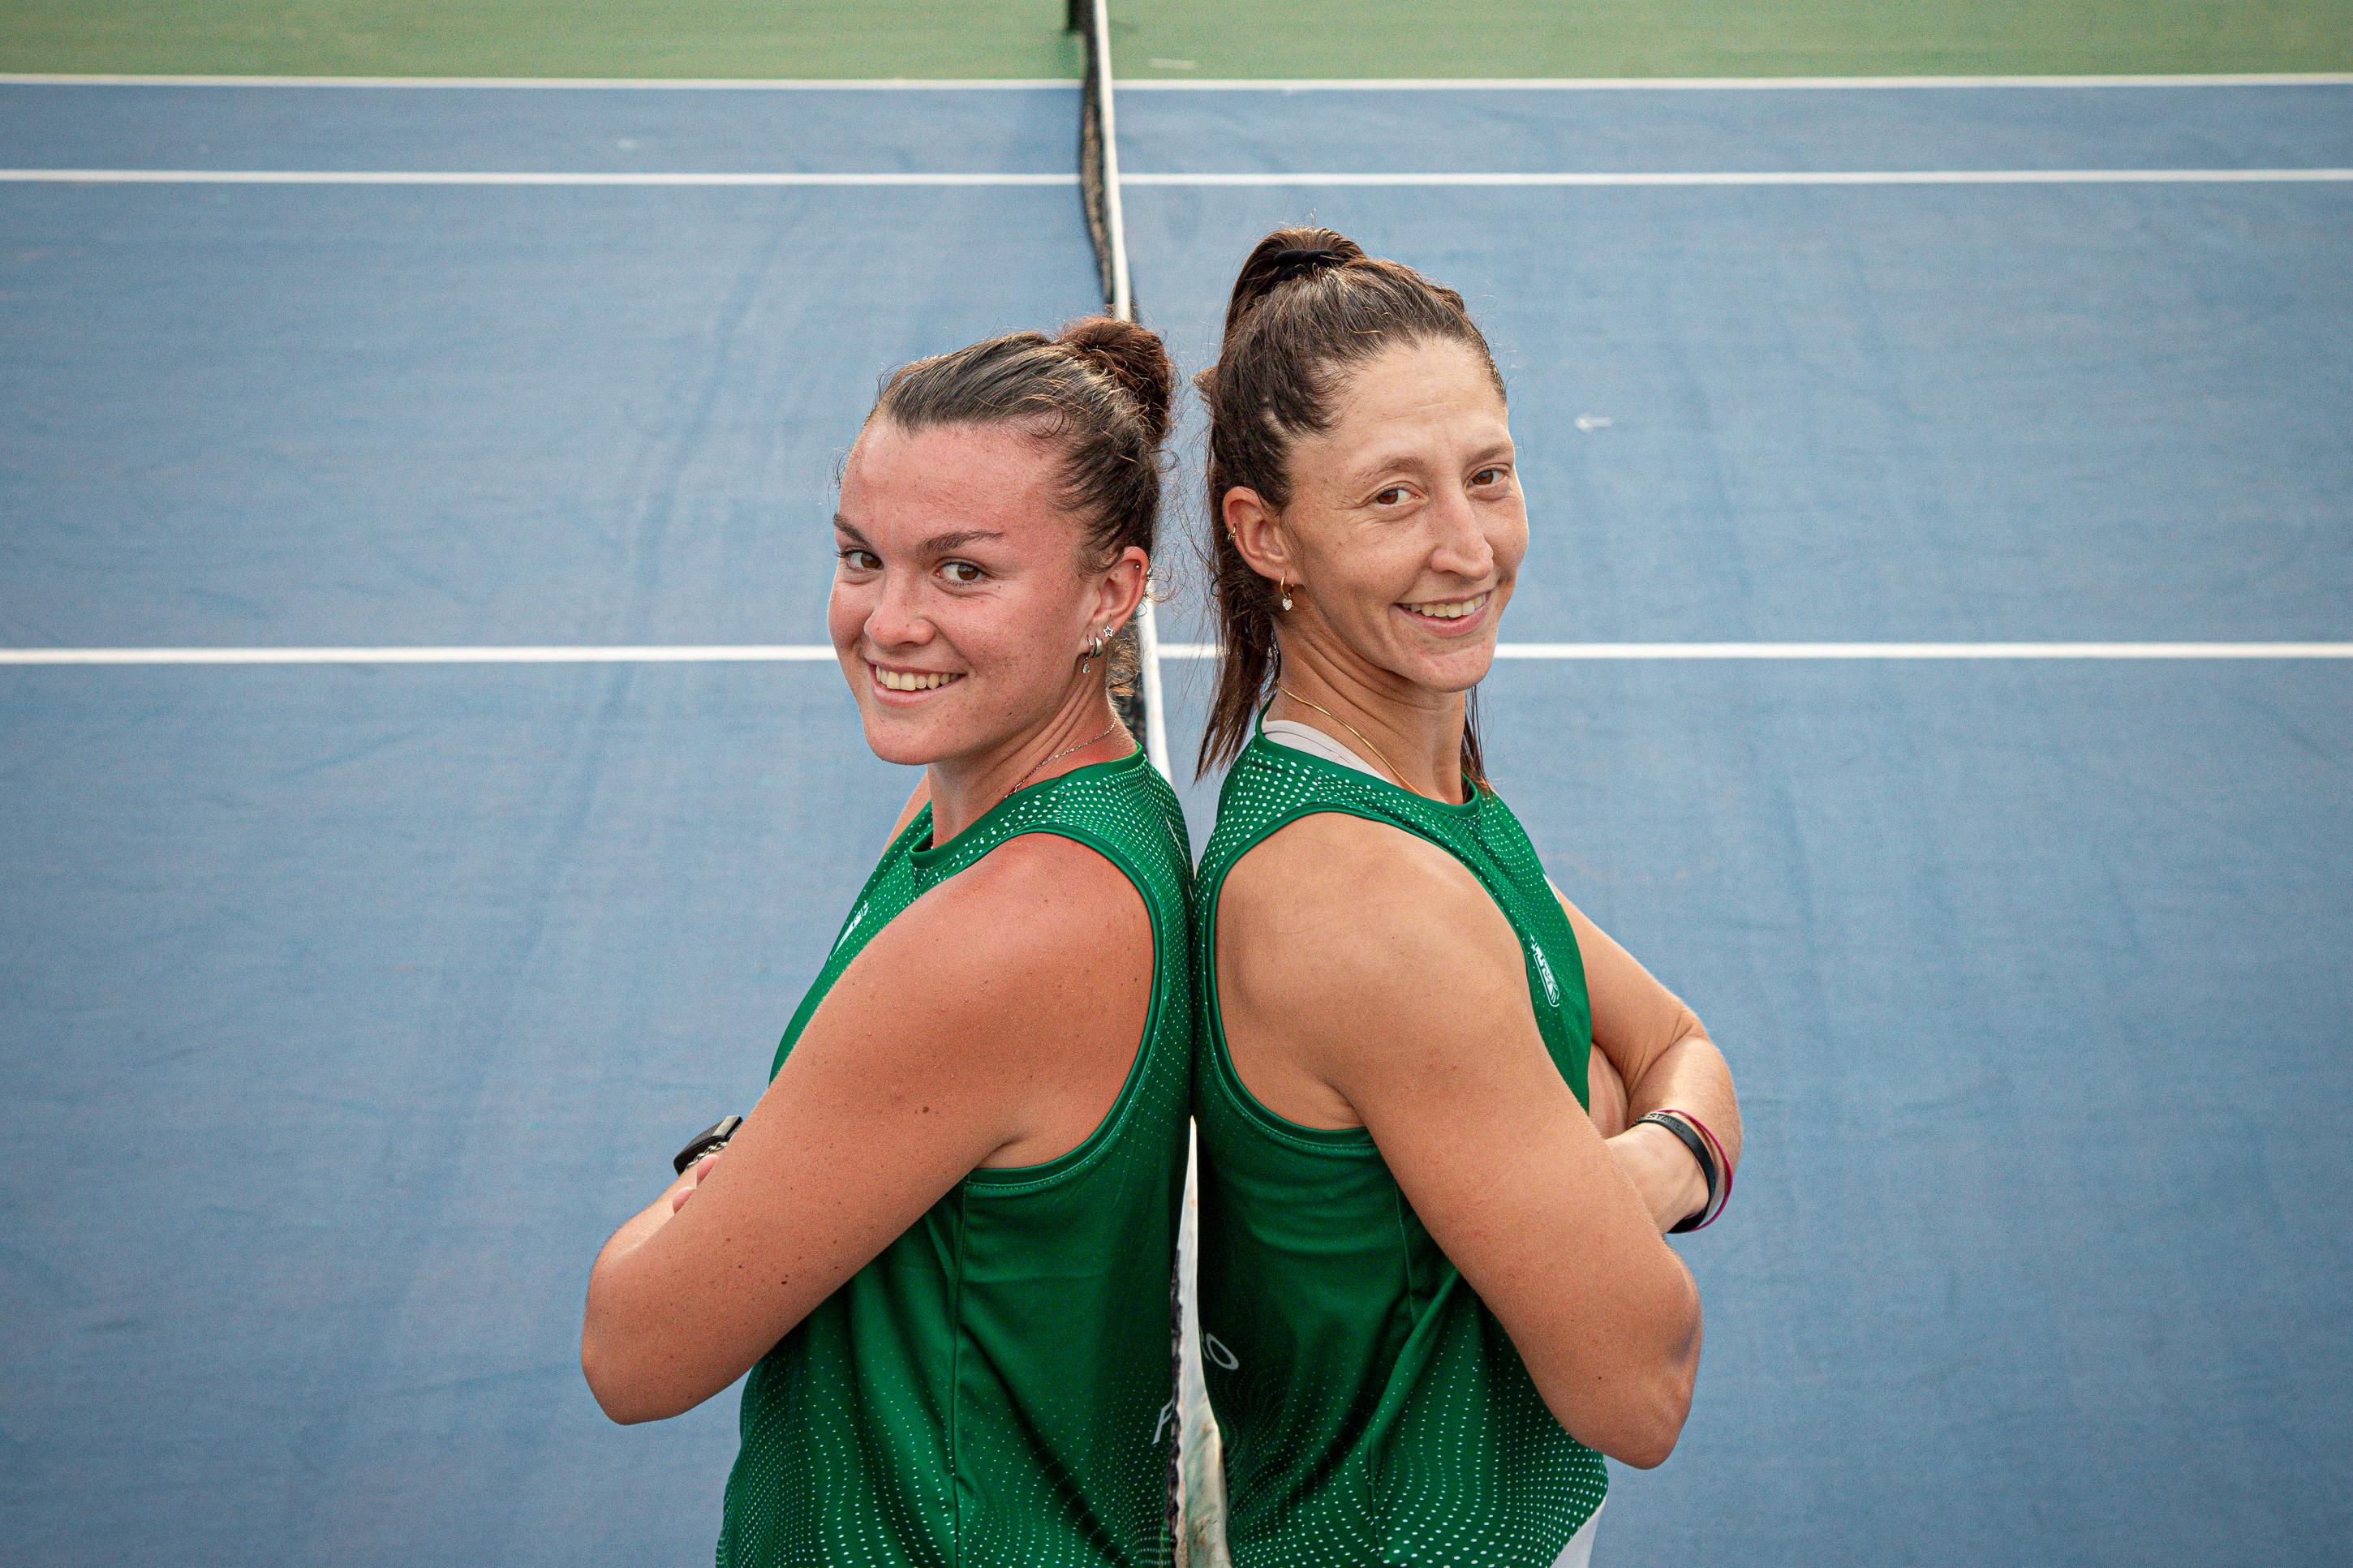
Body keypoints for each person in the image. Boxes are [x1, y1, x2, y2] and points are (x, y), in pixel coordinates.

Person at [581, 319, 1197, 1568]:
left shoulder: (1009, 930)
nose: (890, 620)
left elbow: (634, 1347)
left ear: (1111, 593)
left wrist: (735, 1160)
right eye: (863, 556)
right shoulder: (1006, 804)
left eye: (963, 570)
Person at [1187, 228, 1744, 1568]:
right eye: (1392, 497)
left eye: (1487, 476)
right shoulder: (1370, 908)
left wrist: (1615, 1159)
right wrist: (1635, 1139)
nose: (1467, 544)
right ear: (1268, 535)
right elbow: (1640, 1386)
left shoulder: (1434, 810)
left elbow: (1678, 1043)